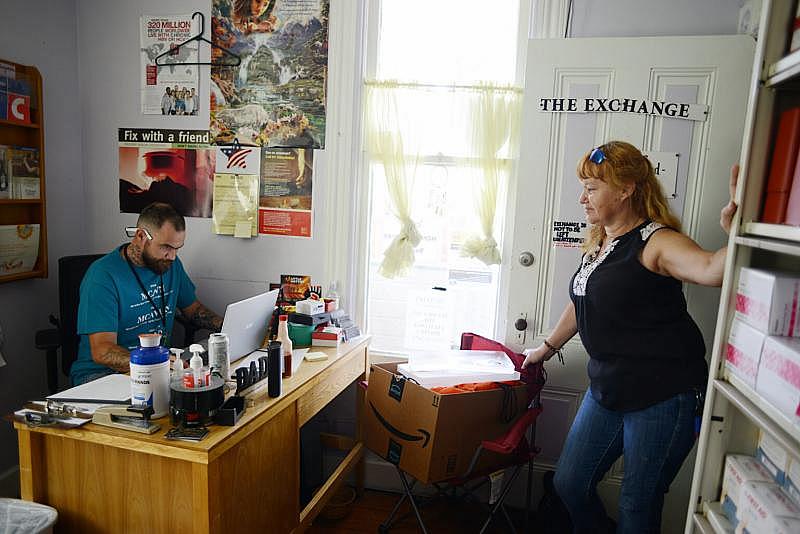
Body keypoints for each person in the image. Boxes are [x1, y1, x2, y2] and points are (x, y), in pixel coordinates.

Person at [521, 141, 738, 533]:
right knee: (569, 484)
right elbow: (583, 299)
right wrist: (547, 345)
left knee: (638, 503)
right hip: (609, 388)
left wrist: (735, 233)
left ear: (625, 189)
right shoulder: (601, 242)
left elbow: (710, 269)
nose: (581, 197)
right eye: (583, 186)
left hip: (664, 394)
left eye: (591, 187)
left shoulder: (655, 241)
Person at [70, 202, 223, 386]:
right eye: (166, 247)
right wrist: (154, 362)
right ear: (141, 236)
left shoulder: (170, 265)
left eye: (177, 248)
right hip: (102, 375)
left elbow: (193, 310)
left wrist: (225, 328)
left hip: (158, 369)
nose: (172, 256)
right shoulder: (103, 276)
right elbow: (102, 351)